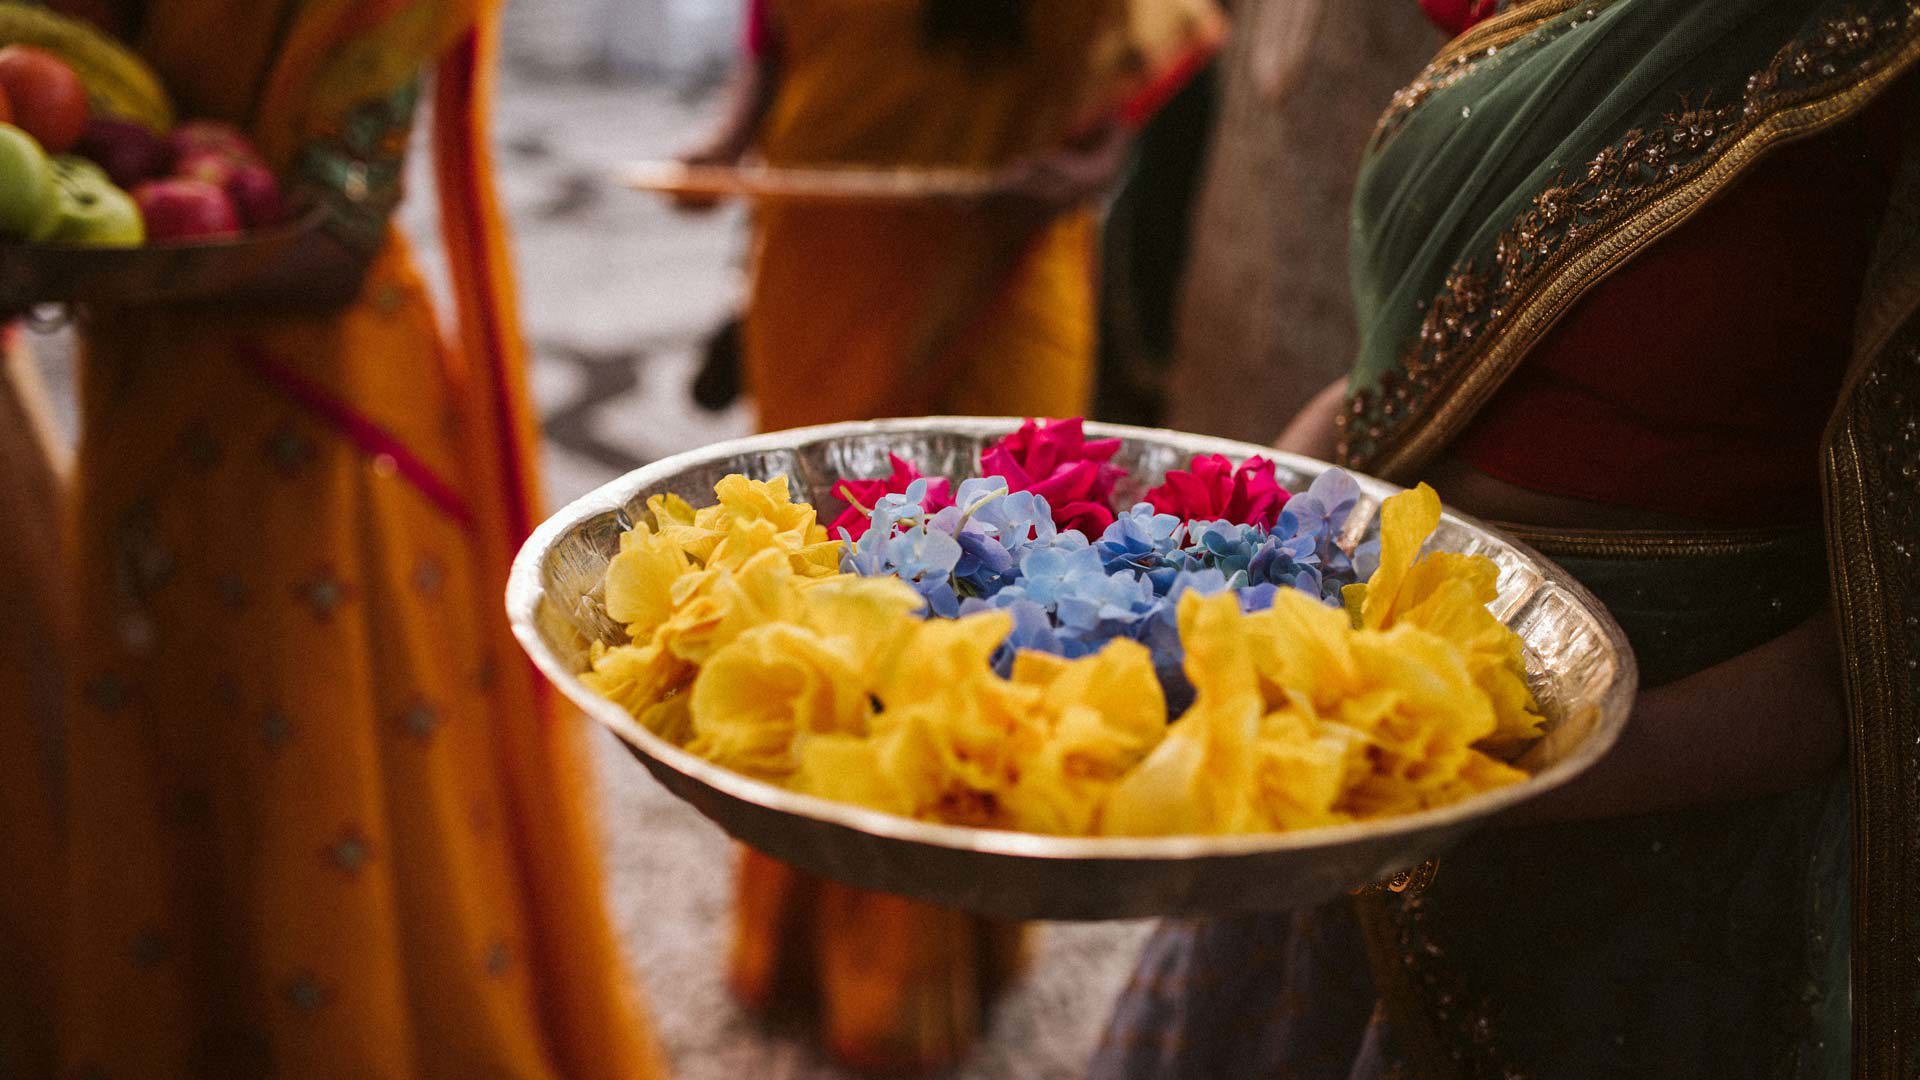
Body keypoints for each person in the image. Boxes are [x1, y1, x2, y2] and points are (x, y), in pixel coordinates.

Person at [1090, 0, 1920, 1076]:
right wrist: (1208, 552)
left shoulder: (1878, 66)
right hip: (1343, 728)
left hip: (1638, 854)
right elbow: (1409, 384)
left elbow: (1862, 670)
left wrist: (1471, 782)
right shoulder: (1539, 18)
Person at [2, 2, 669, 1076]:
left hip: (322, 418)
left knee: (326, 765)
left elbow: (336, 245)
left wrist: (71, 268)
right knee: (174, 741)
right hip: (147, 397)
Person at [675, 0, 1218, 1071]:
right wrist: (728, 142)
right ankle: (804, 951)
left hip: (1004, 265)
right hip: (827, 259)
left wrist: (1095, 162)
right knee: (820, 594)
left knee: (983, 597)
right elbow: (774, 34)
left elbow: (1164, 34)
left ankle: (947, 959)